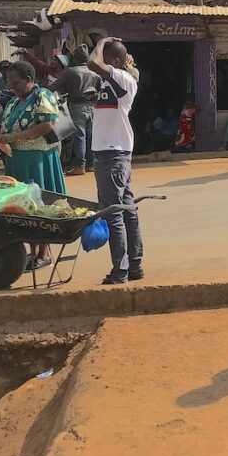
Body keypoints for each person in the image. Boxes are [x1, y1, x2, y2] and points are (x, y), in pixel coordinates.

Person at [0, 61, 66, 271]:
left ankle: (43, 253)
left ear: (29, 80)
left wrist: (15, 136)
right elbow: (7, 124)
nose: (12, 87)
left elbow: (48, 124)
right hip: (17, 160)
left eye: (16, 83)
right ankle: (33, 251)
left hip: (38, 160)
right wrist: (2, 136)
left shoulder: (41, 96)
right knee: (23, 207)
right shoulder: (14, 101)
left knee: (39, 206)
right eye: (10, 83)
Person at [88, 36, 143, 285]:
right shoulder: (114, 81)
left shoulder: (122, 78)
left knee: (114, 213)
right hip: (114, 151)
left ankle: (120, 271)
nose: (102, 61)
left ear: (117, 61)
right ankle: (134, 266)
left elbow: (92, 63)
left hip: (112, 153)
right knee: (127, 210)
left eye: (107, 58)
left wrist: (100, 42)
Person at [52, 45, 101, 176]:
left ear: (75, 58)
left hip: (77, 106)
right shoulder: (95, 73)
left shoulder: (71, 72)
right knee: (91, 136)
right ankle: (91, 164)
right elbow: (100, 89)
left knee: (80, 136)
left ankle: (80, 166)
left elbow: (55, 85)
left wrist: (41, 90)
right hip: (92, 106)